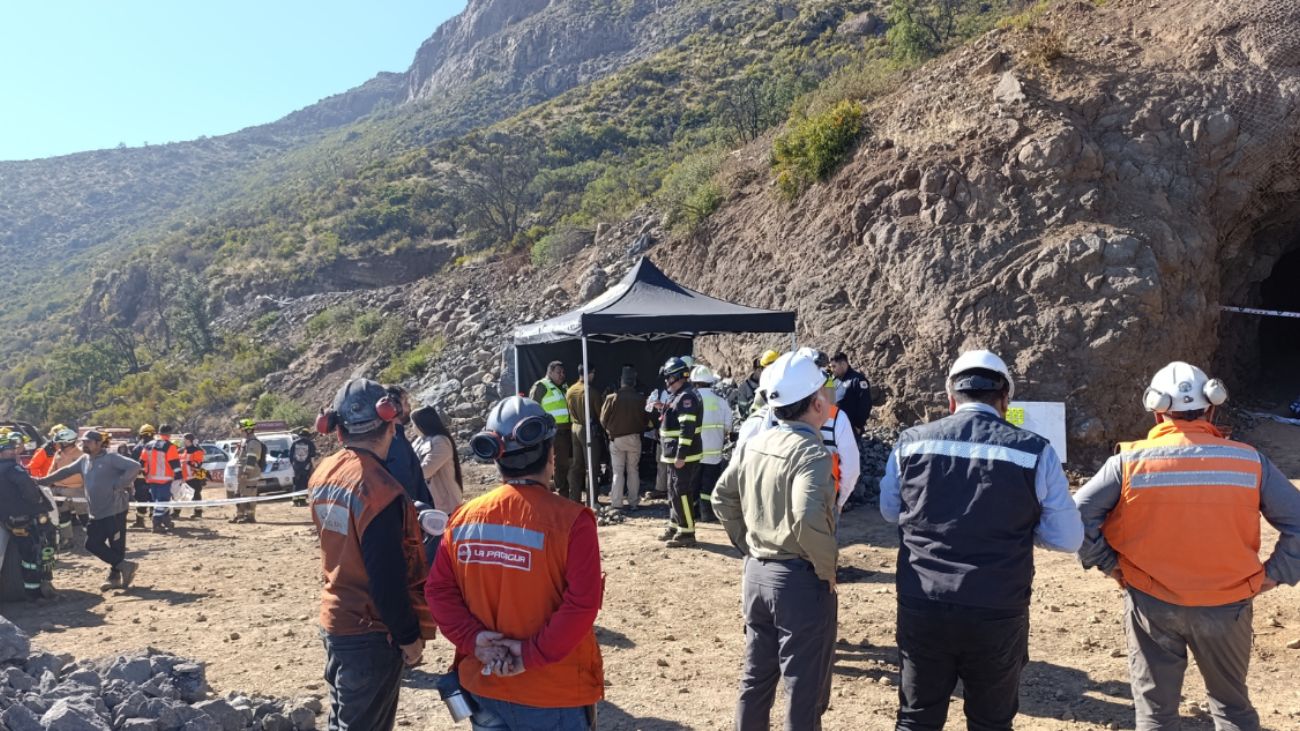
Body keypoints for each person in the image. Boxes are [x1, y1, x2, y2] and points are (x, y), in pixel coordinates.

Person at [1073, 361, 1300, 731]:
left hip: (1152, 601)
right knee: (1232, 709)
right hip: (1227, 606)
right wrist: (1274, 575)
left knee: (1156, 715)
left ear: (1157, 410)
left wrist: (1110, 563)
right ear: (1211, 408)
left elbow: (1075, 516)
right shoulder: (1249, 461)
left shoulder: (1128, 463)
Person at [879, 350, 1083, 731]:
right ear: (1005, 400)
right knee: (991, 723)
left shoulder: (910, 443)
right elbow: (1069, 538)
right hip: (997, 608)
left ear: (950, 398)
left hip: (923, 602)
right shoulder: (1036, 451)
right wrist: (1022, 526)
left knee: (916, 719)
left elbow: (891, 511)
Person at [427, 395, 604, 729]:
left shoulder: (464, 517)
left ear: (496, 458)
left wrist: (474, 640)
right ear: (551, 455)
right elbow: (582, 604)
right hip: (552, 692)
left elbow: (438, 591)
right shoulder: (572, 521)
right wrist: (529, 655)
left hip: (484, 684)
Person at [713, 350, 838, 731]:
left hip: (756, 574)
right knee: (803, 687)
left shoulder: (756, 443)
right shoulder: (811, 453)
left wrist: (747, 546)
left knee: (756, 678)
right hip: (798, 580)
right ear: (817, 404)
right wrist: (828, 568)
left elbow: (722, 497)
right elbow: (807, 516)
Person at [310, 378, 435, 731]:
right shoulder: (379, 490)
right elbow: (386, 579)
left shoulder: (324, 473)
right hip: (370, 632)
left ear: (338, 431)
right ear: (391, 425)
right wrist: (409, 637)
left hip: (337, 621)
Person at [37, 430, 141, 591]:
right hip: (96, 511)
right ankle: (124, 566)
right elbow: (66, 471)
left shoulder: (111, 458)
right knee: (92, 544)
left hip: (115, 509)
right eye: (83, 442)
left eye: (88, 442)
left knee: (116, 545)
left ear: (99, 443)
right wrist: (43, 481)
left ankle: (114, 577)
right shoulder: (84, 460)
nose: (84, 444)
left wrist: (120, 484)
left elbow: (135, 466)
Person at [0, 430, 58, 601]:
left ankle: (34, 589)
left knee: (28, 553)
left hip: (9, 520)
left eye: (13, 448)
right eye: (8, 450)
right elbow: (29, 489)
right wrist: (36, 502)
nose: (13, 452)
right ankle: (36, 592)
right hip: (25, 518)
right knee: (35, 553)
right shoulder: (13, 469)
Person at [657, 357, 704, 548]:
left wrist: (681, 455)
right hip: (673, 453)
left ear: (676, 377)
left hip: (683, 455)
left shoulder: (686, 397)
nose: (667, 381)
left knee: (681, 492)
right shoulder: (679, 395)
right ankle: (675, 524)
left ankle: (687, 531)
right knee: (673, 490)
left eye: (668, 377)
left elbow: (687, 429)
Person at [410, 404, 462, 563]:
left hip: (443, 504)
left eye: (414, 423)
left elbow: (426, 470)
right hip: (428, 502)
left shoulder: (441, 441)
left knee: (438, 548)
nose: (412, 428)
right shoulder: (418, 441)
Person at [600, 367, 648, 512]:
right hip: (634, 438)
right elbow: (646, 420)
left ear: (621, 381)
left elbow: (603, 420)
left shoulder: (611, 398)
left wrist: (609, 430)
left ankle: (616, 503)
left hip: (616, 439)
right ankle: (633, 503)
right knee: (633, 470)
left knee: (617, 471)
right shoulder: (641, 399)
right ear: (634, 382)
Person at [691, 365, 733, 523]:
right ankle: (707, 513)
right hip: (714, 453)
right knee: (708, 484)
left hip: (694, 452)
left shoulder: (691, 400)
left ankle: (693, 512)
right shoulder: (721, 401)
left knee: (693, 483)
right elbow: (728, 426)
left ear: (694, 382)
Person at [381, 385, 431, 506]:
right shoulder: (394, 440)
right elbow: (405, 484)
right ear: (394, 407)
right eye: (405, 402)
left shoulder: (395, 437)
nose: (409, 406)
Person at [530, 361, 572, 499]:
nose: (562, 375)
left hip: (567, 431)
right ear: (550, 372)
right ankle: (562, 495)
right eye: (558, 372)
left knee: (565, 463)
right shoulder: (541, 386)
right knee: (559, 464)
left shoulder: (563, 387)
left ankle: (564, 493)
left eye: (563, 372)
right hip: (553, 432)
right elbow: (533, 409)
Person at [565, 364, 600, 504]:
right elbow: (600, 414)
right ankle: (591, 500)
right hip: (587, 430)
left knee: (576, 464)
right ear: (590, 373)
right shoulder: (591, 392)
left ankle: (574, 498)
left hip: (574, 428)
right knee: (591, 466)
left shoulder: (570, 390)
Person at [139, 424, 182, 534]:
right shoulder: (169, 446)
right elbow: (175, 464)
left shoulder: (148, 445)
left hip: (151, 479)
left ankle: (166, 521)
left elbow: (142, 462)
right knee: (163, 501)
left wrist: (145, 474)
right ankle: (156, 523)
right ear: (169, 434)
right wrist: (179, 477)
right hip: (165, 479)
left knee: (160, 502)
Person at [231, 419, 266, 524]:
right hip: (242, 474)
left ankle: (249, 516)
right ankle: (240, 515)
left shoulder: (253, 443)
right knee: (239, 494)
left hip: (249, 474)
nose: (240, 432)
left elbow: (251, 459)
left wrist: (246, 473)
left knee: (248, 495)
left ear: (248, 430)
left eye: (241, 430)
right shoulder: (244, 441)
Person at [830, 352, 872, 436]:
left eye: (834, 366)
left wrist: (858, 425)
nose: (832, 369)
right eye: (831, 367)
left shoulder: (857, 380)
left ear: (843, 364)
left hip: (850, 428)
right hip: (835, 426)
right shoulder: (834, 380)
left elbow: (865, 404)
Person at [174, 433, 206, 520]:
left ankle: (198, 513)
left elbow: (198, 465)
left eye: (184, 439)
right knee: (179, 495)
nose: (182, 441)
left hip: (194, 477)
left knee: (196, 495)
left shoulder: (197, 451)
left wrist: (188, 462)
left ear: (188, 440)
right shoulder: (183, 450)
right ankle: (176, 513)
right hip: (183, 478)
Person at [130, 425, 155, 529]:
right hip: (154, 478)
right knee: (154, 499)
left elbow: (134, 464)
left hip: (141, 478)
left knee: (141, 499)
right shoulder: (157, 446)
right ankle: (156, 521)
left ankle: (140, 521)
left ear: (141, 435)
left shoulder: (138, 448)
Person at [289, 428, 318, 507]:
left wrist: (293, 465)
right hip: (306, 467)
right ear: (307, 436)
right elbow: (312, 456)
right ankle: (302, 501)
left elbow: (291, 455)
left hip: (296, 467)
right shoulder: (310, 443)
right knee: (304, 483)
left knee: (296, 483)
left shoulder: (294, 443)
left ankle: (295, 501)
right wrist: (313, 466)